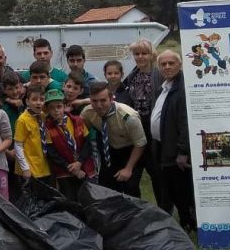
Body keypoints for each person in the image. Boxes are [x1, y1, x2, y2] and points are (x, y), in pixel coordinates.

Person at [151, 51, 196, 231]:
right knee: (171, 189)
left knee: (181, 190)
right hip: (164, 147)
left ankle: (189, 224)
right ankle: (184, 222)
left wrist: (183, 151)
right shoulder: (165, 86)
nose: (167, 67)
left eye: (171, 63)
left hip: (176, 151)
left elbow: (185, 121)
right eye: (163, 64)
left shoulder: (182, 88)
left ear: (180, 64)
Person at [81, 82, 147, 197]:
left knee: (130, 186)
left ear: (111, 98)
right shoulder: (88, 113)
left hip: (130, 150)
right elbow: (82, 133)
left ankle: (135, 212)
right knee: (107, 188)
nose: (98, 105)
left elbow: (140, 143)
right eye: (94, 101)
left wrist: (128, 168)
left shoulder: (128, 116)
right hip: (109, 150)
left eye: (103, 100)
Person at [121, 39, 162, 203]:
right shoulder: (133, 74)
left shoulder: (159, 74)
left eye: (144, 53)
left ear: (151, 54)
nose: (140, 57)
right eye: (137, 54)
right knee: (134, 172)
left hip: (152, 125)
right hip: (136, 126)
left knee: (157, 173)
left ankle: (163, 209)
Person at [42, 89, 96, 202]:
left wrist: (79, 162)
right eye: (52, 108)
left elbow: (87, 144)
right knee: (71, 200)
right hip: (64, 170)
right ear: (46, 110)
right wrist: (72, 168)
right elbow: (52, 153)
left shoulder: (77, 120)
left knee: (90, 198)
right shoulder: (47, 128)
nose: (56, 111)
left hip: (84, 166)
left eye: (59, 106)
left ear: (64, 106)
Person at [14, 85, 51, 186]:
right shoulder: (23, 120)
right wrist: (25, 168)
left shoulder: (42, 116)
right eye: (34, 99)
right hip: (29, 168)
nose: (38, 102)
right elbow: (18, 145)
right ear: (27, 101)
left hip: (43, 166)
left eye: (42, 99)